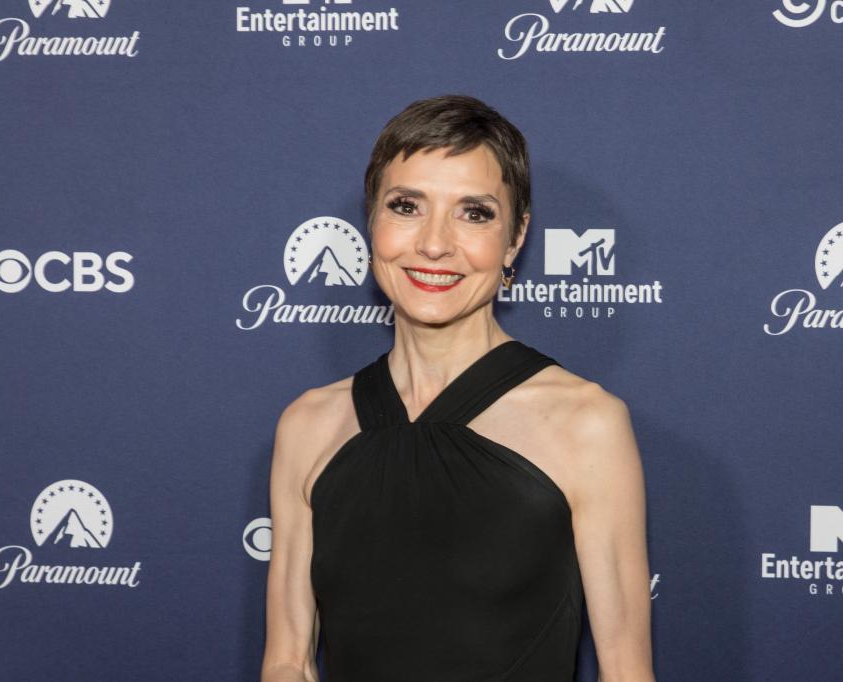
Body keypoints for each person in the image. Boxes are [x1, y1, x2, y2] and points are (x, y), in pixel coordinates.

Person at [261, 95, 655, 682]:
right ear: (372, 221)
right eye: (407, 206)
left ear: (515, 239)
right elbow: (288, 661)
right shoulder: (308, 424)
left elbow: (626, 673)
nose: (435, 244)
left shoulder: (587, 422)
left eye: (474, 213)